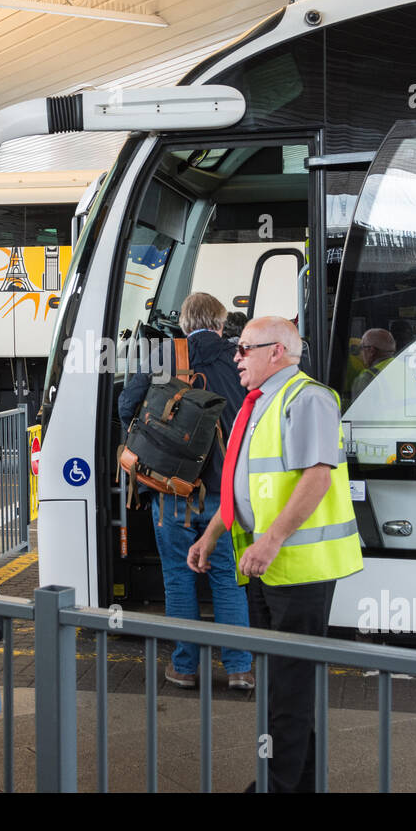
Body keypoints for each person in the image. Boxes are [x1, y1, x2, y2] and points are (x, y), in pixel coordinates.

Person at [187, 315, 363, 793]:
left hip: (298, 570)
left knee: (286, 686)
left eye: (244, 349)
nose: (235, 357)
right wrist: (213, 534)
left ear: (277, 352)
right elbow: (244, 483)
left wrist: (271, 539)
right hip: (269, 570)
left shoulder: (307, 399)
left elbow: (316, 477)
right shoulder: (262, 402)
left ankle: (275, 786)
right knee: (285, 683)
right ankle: (300, 784)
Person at [118, 293, 253, 690]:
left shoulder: (165, 354)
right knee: (227, 577)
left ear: (184, 322)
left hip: (173, 489)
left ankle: (184, 667)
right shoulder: (239, 357)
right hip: (223, 490)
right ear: (221, 321)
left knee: (178, 577)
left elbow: (128, 406)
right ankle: (239, 668)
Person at [350, 327, 396, 400]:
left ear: (371, 351)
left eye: (362, 348)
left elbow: (360, 410)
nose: (360, 353)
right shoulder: (408, 370)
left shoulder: (368, 378)